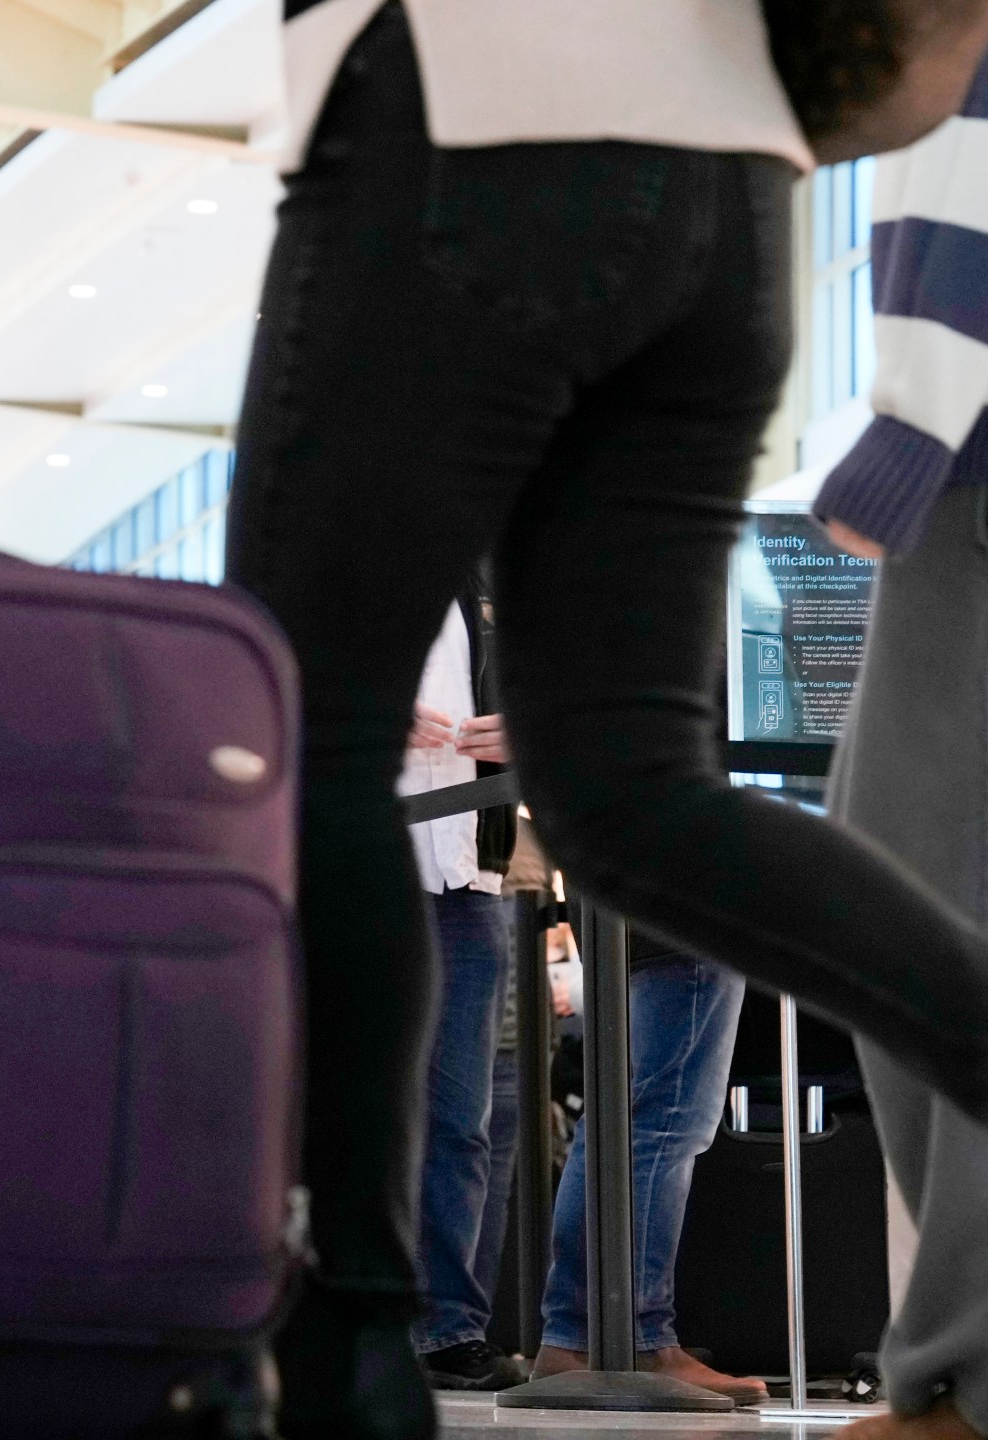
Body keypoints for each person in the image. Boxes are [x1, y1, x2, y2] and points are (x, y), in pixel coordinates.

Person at [224, 4, 988, 1437]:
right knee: (632, 802)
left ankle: (352, 1355)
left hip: (460, 109)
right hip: (733, 189)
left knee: (309, 742)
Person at [819, 54, 988, 1440]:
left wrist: (902, 442)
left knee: (923, 909)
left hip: (974, 499)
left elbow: (968, 192)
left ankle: (967, 1370)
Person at [526, 934, 759, 1404]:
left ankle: (576, 1336)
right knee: (666, 1121)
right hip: (684, 913)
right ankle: (637, 1338)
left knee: (624, 1117)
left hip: (637, 920)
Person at [401, 584, 525, 1391]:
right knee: (357, 1112)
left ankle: (449, 1330)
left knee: (462, 1119)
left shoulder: (484, 588)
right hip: (367, 858)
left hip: (468, 874)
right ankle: (355, 1322)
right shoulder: (339, 569)